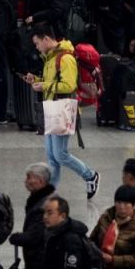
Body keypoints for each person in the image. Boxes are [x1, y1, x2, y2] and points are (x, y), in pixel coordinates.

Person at [26, 23, 100, 199]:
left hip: (63, 110)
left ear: (46, 39)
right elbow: (52, 81)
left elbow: (69, 85)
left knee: (60, 154)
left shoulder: (65, 58)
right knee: (52, 156)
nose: (37, 47)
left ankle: (90, 175)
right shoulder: (51, 57)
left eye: (37, 43)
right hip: (52, 109)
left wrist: (43, 85)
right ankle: (49, 192)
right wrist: (37, 80)